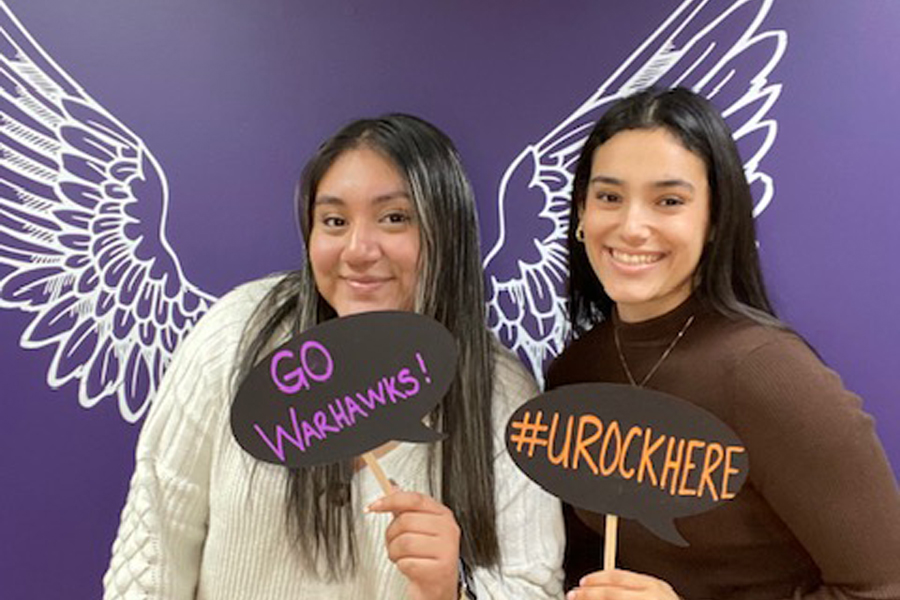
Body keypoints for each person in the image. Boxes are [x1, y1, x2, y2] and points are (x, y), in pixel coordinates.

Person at [103, 114, 564, 599]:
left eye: (394, 218)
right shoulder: (238, 334)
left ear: (446, 231)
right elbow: (157, 535)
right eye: (335, 222)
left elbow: (531, 587)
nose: (358, 249)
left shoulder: (501, 397)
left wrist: (450, 591)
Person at [546, 88, 900, 600]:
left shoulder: (767, 375)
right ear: (581, 212)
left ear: (713, 220)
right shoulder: (573, 374)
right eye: (609, 197)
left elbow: (884, 587)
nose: (631, 226)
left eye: (669, 201)